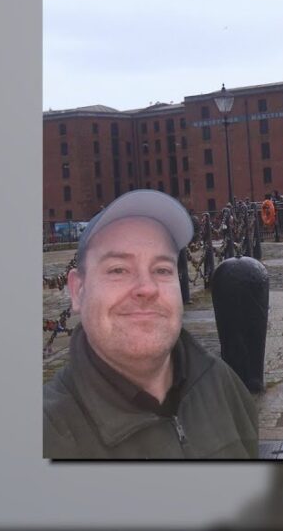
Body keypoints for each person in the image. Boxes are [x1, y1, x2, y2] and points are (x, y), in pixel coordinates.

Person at [44, 189, 259, 459]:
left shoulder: (222, 384)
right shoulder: (49, 430)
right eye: (118, 270)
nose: (146, 288)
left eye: (162, 269)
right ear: (78, 290)